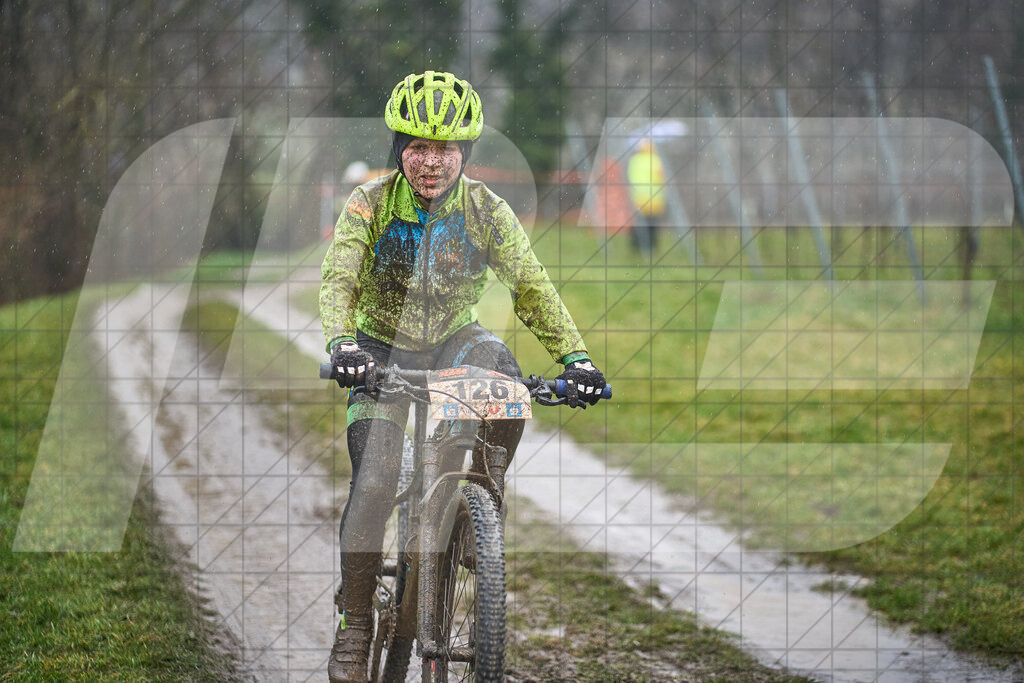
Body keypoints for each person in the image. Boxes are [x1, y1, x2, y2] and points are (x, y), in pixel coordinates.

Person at [319, 71, 606, 683]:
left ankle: (481, 497)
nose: (431, 161)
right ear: (399, 149)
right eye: (417, 147)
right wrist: (342, 344)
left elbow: (531, 288)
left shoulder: (486, 211)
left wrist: (575, 360)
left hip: (453, 340)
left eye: (446, 148)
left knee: (498, 363)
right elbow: (339, 279)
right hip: (377, 347)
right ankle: (356, 621)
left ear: (465, 153)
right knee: (373, 485)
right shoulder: (368, 204)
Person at [626, 138, 668, 258]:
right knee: (652, 224)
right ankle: (649, 246)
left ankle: (637, 246)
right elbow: (661, 176)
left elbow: (632, 177)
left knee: (641, 223)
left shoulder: (635, 160)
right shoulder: (655, 160)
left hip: (641, 197)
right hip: (653, 198)